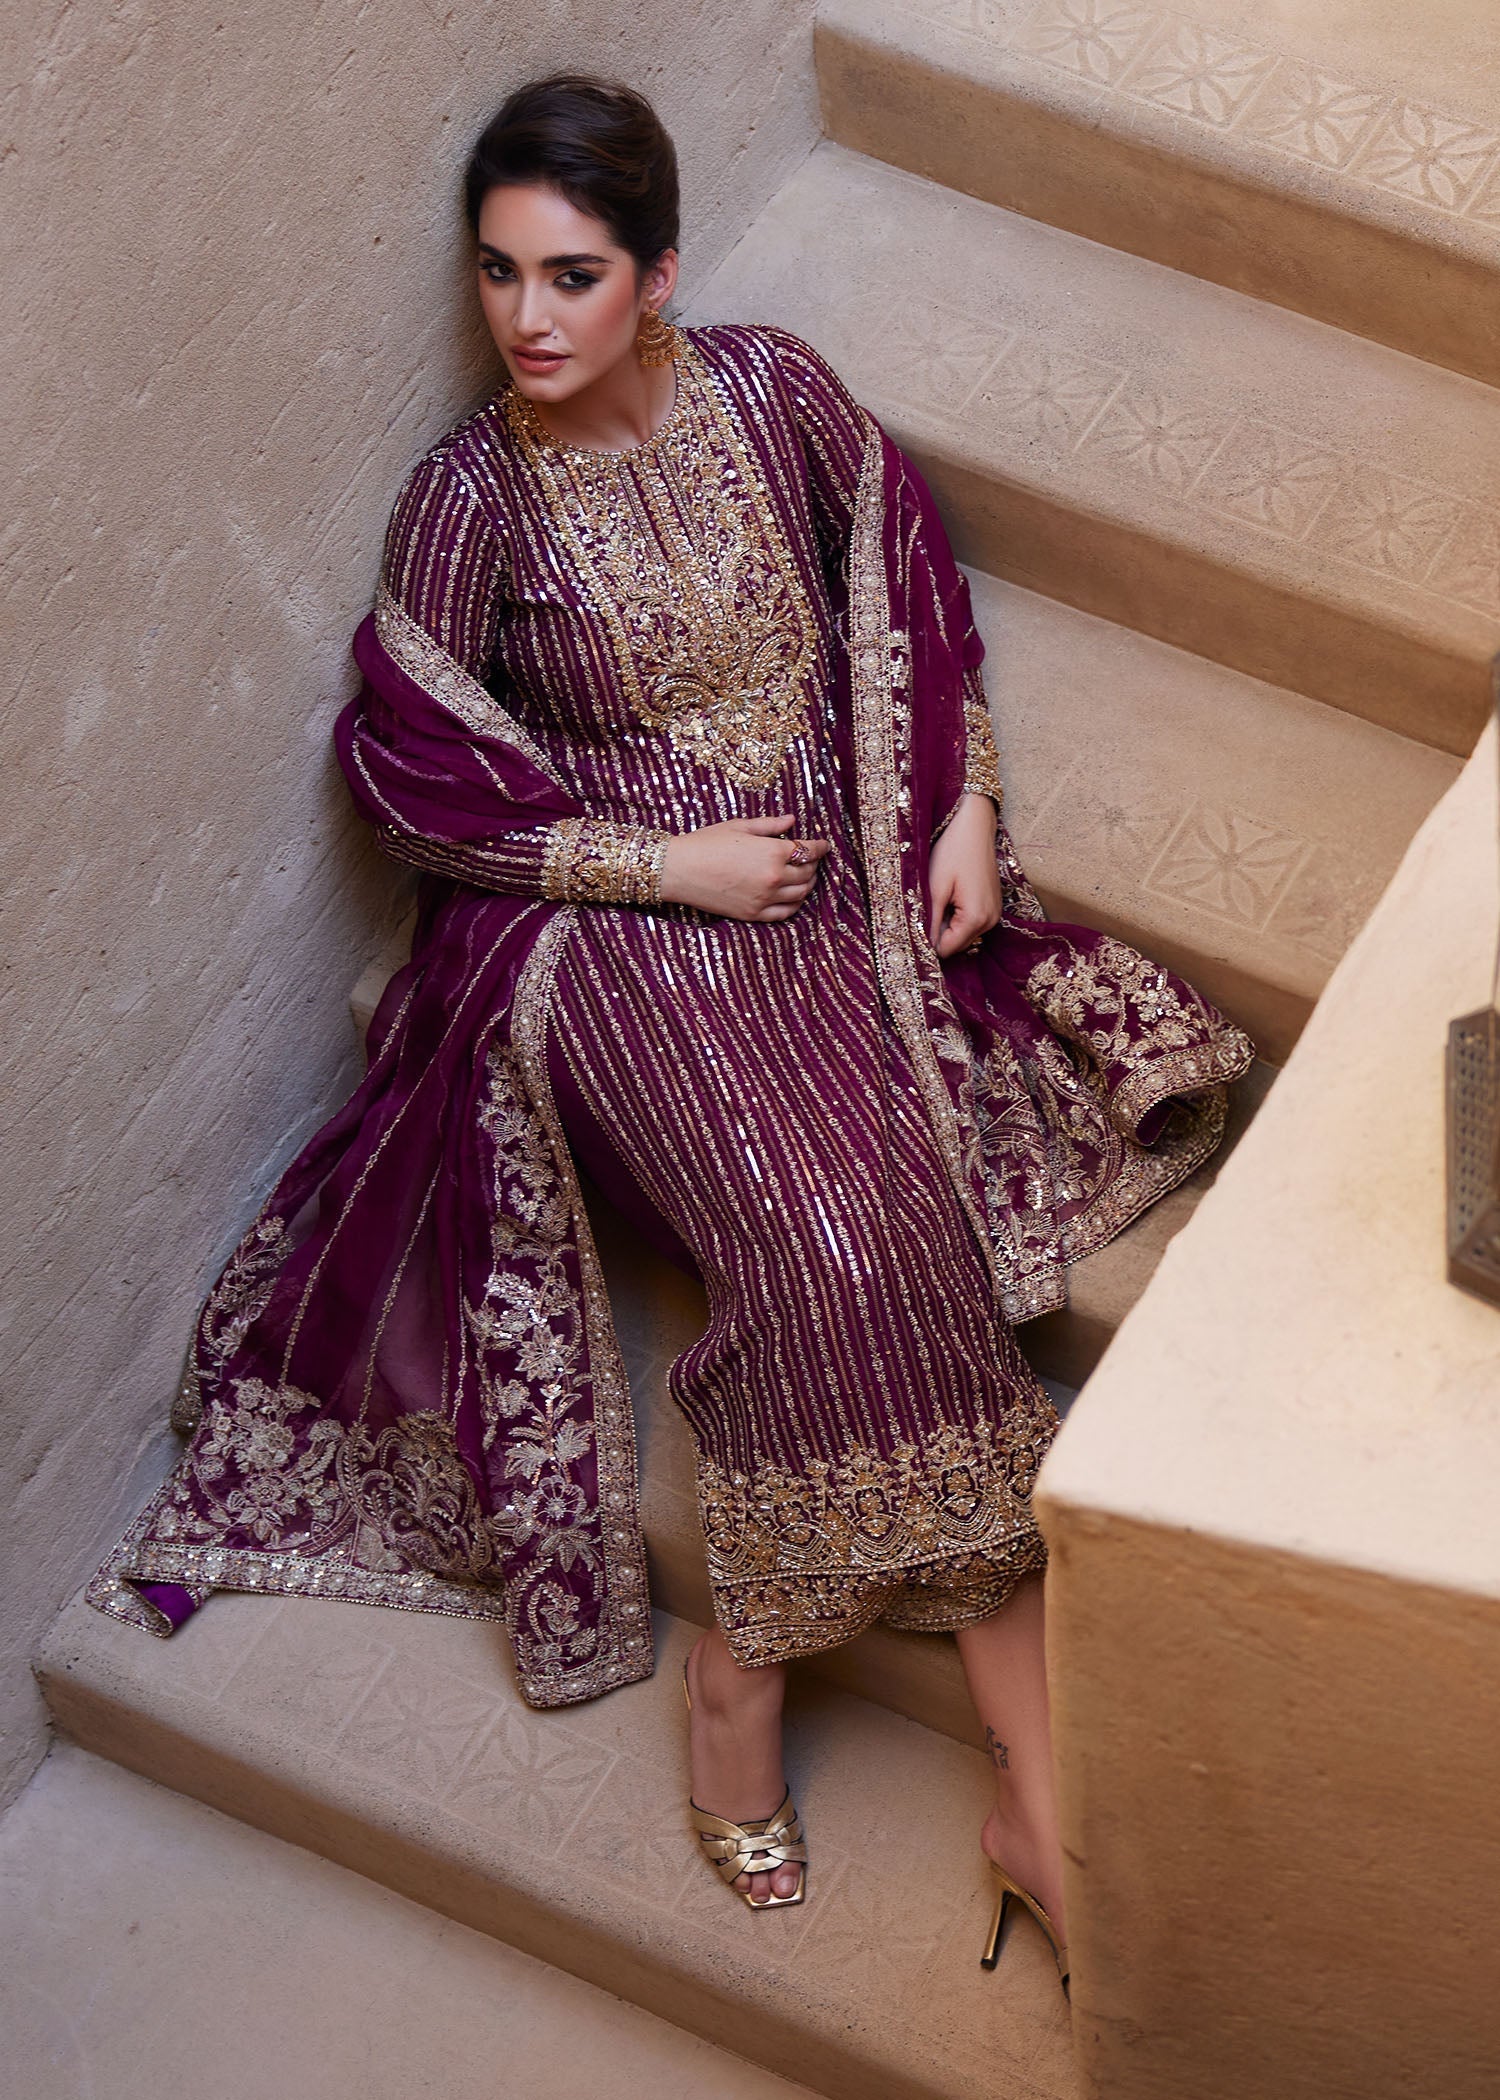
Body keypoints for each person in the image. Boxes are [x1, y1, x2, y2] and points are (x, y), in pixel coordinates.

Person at [88, 73, 1255, 1983]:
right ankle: (763, 1681)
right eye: (498, 274)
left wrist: (957, 803)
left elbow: (904, 581)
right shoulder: (467, 503)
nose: (528, 318)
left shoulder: (775, 396)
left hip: (825, 876)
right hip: (605, 932)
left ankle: (1022, 1792)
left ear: (661, 272)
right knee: (813, 1237)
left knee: (904, 1221)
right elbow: (407, 771)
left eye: (573, 275)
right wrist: (661, 865)